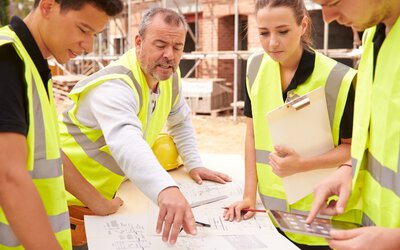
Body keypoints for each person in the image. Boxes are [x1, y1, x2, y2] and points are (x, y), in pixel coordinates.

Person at [58, 7, 232, 245]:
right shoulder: (114, 85)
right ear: (138, 42)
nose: (169, 55)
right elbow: (126, 142)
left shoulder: (168, 75)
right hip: (70, 202)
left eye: (177, 47)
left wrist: (194, 163)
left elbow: (179, 120)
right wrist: (166, 190)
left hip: (110, 199)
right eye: (160, 45)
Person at [223, 0, 361, 249]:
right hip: (271, 221)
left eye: (283, 31)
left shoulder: (339, 79)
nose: (272, 43)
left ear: (303, 24)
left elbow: (353, 150)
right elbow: (252, 135)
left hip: (322, 223)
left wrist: (303, 165)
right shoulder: (254, 67)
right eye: (263, 33)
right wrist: (248, 196)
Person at [0, 0, 123, 249]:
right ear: (48, 6)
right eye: (83, 29)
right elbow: (8, 177)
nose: (88, 46)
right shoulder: (7, 60)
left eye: (95, 35)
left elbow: (48, 152)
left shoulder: (31, 62)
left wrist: (97, 202)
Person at [305, 0, 400, 249]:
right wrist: (348, 168)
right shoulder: (372, 38)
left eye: (333, 1)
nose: (326, 17)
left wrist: (395, 240)